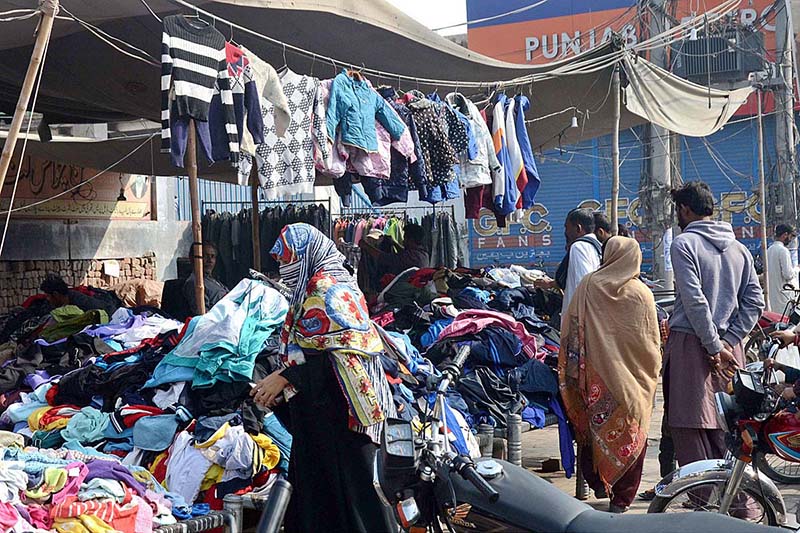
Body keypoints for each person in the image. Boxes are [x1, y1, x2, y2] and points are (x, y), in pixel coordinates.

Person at [250, 223, 397, 533]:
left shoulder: (327, 289)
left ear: (306, 256)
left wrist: (287, 377)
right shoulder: (316, 288)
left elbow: (344, 358)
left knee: (354, 506)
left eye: (287, 261)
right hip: (322, 420)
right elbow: (319, 350)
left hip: (342, 424)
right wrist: (285, 379)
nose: (284, 269)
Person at [664, 181, 764, 467]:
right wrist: (728, 341)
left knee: (690, 428)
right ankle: (740, 506)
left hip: (693, 346)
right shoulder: (739, 249)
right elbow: (755, 302)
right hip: (731, 351)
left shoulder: (683, 244)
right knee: (730, 429)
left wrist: (714, 346)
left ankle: (703, 505)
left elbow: (695, 301)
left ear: (684, 210)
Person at [559, 237, 661, 513]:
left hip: (594, 378)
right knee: (633, 432)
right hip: (634, 382)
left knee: (592, 432)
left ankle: (599, 483)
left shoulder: (588, 286)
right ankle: (622, 498)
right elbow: (651, 344)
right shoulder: (642, 294)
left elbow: (569, 327)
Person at [541, 208, 602, 318]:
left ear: (578, 228)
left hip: (580, 318)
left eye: (567, 228)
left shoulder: (578, 247)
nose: (565, 232)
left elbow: (582, 284)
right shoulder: (597, 246)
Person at [358, 222, 430, 274]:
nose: (403, 241)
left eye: (405, 238)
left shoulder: (412, 257)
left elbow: (385, 258)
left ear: (411, 240)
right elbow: (403, 254)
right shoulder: (422, 253)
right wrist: (394, 243)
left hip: (407, 293)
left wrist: (366, 246)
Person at [182, 242, 228, 315]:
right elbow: (203, 314)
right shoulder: (195, 283)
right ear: (193, 258)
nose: (210, 260)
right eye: (205, 256)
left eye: (212, 256)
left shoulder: (214, 280)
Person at [40, 274, 119, 316]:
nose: (47, 299)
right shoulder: (56, 305)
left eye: (48, 296)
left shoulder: (81, 303)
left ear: (56, 294)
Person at [767, 223, 798, 316]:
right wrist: (796, 270)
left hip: (773, 295)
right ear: (785, 235)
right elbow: (788, 275)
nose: (791, 239)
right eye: (790, 236)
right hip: (784, 295)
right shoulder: (783, 251)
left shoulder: (769, 250)